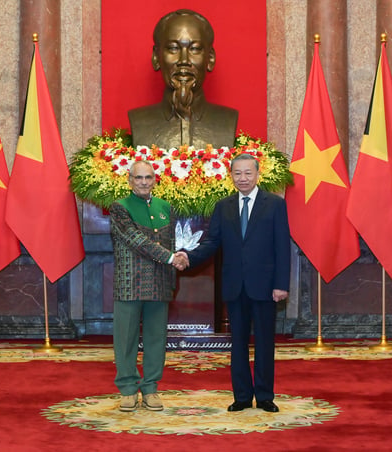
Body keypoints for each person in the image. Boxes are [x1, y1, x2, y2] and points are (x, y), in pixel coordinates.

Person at [178, 153, 290, 413]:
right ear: (231, 176)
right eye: (237, 173)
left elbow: (282, 247)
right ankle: (241, 396)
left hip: (265, 286)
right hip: (234, 285)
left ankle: (264, 396)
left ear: (258, 174)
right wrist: (188, 256)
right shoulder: (223, 206)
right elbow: (212, 242)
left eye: (248, 173)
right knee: (237, 344)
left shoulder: (274, 204)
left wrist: (281, 284)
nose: (243, 178)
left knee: (264, 343)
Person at [110, 160, 188, 412]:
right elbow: (135, 239)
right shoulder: (119, 207)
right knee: (126, 338)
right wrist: (170, 258)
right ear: (129, 180)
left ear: (155, 180)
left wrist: (173, 270)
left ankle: (151, 387)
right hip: (130, 282)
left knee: (156, 338)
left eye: (148, 177)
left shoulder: (164, 207)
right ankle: (128, 389)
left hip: (159, 283)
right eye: (138, 178)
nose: (143, 182)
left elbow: (172, 241)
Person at [128, 9, 238, 149]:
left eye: (195, 49)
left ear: (210, 58)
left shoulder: (227, 120)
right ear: (156, 57)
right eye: (173, 48)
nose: (184, 60)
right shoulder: (140, 120)